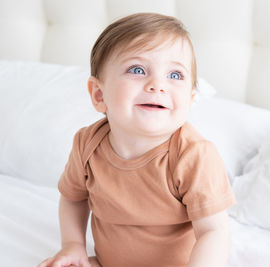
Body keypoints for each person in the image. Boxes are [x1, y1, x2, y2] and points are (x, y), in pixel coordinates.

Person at [38, 12, 236, 267]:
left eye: (175, 75)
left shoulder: (193, 155)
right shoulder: (87, 144)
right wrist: (73, 245)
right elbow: (73, 197)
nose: (158, 85)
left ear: (190, 98)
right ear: (99, 95)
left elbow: (214, 232)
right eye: (138, 70)